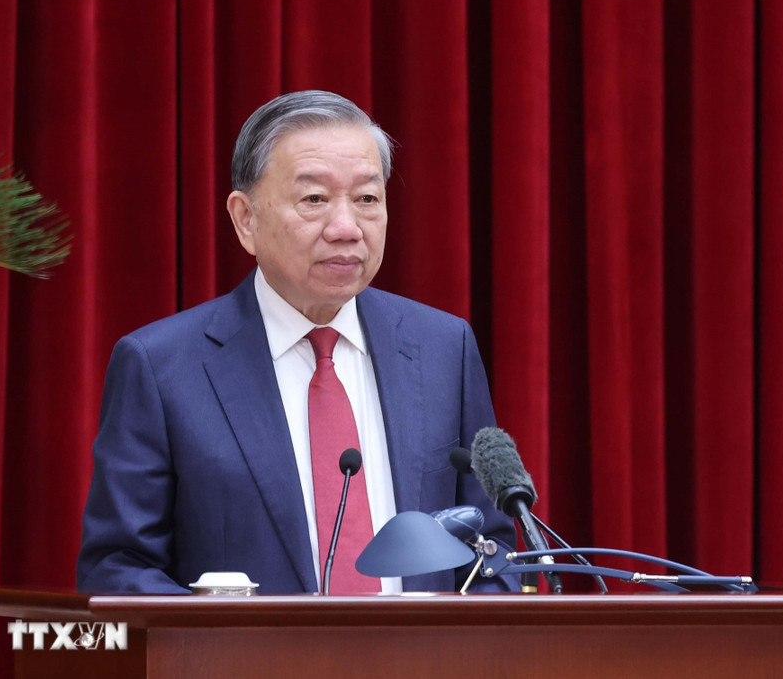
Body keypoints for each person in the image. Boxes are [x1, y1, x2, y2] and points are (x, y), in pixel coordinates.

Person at [77, 90, 516, 595]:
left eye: (367, 199)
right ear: (245, 219)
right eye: (314, 200)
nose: (347, 228)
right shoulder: (162, 367)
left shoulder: (443, 348)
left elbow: (492, 553)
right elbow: (118, 569)